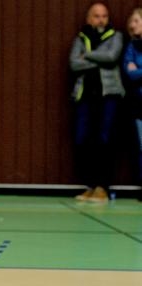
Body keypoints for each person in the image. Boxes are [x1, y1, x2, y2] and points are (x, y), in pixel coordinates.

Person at [69, 2, 125, 202]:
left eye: (104, 16)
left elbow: (111, 57)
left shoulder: (115, 36)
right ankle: (90, 185)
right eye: (96, 16)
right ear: (88, 19)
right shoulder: (80, 38)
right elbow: (74, 63)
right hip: (85, 96)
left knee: (105, 140)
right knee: (83, 139)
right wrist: (94, 60)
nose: (101, 19)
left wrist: (88, 56)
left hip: (108, 95)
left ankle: (103, 186)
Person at [123, 8, 142, 202]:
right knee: (141, 147)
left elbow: (136, 71)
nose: (132, 24)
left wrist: (138, 70)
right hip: (138, 104)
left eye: (136, 21)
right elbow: (129, 73)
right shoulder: (131, 47)